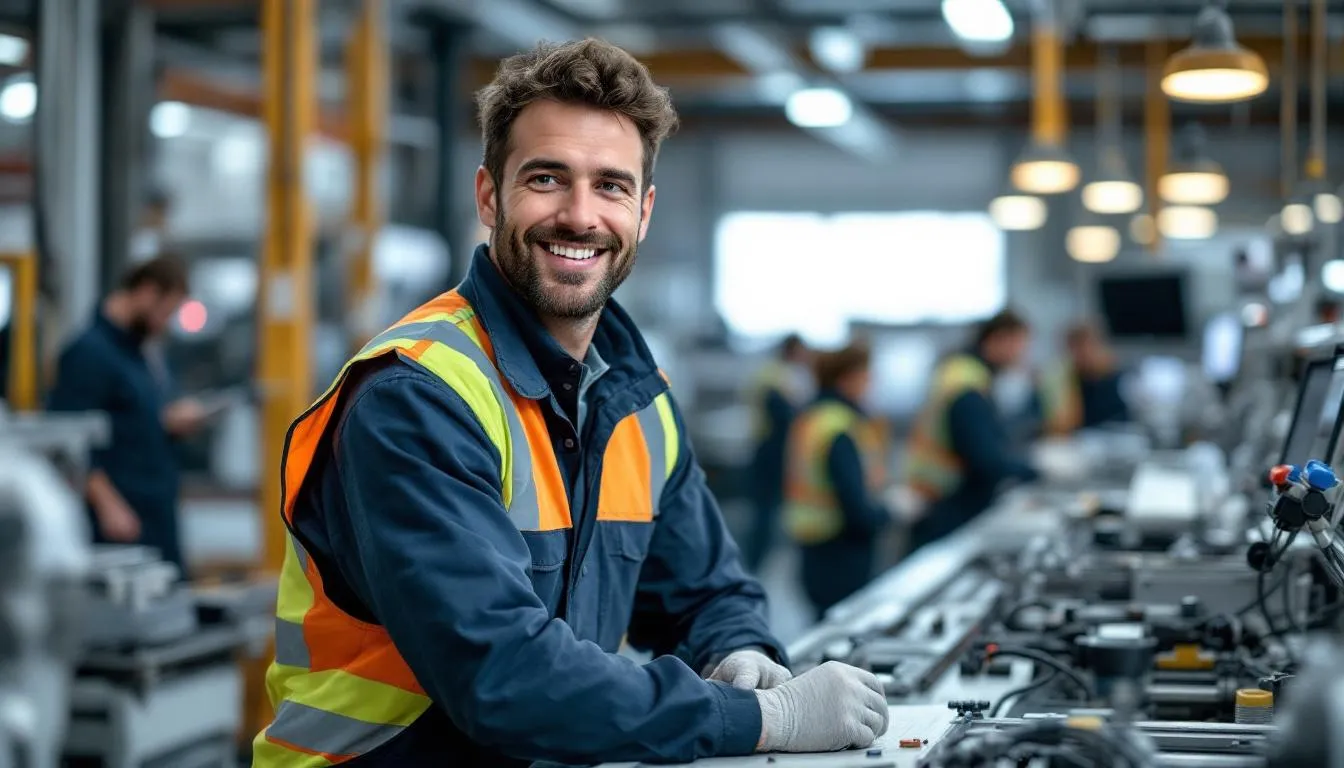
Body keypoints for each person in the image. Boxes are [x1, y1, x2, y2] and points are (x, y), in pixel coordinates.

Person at [251, 39, 887, 768]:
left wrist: (737, 649)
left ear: (643, 212)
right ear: (490, 195)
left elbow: (707, 588)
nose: (580, 216)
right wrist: (760, 718)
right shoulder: (415, 397)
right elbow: (503, 679)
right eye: (548, 178)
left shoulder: (635, 399)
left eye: (611, 186)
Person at [46, 255, 210, 575]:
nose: (165, 323)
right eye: (166, 312)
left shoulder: (142, 355)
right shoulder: (87, 354)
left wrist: (170, 422)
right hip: (119, 522)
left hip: (155, 511)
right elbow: (68, 442)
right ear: (147, 293)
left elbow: (137, 417)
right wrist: (108, 505)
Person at [903, 309, 1040, 553]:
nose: (1021, 353)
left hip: (939, 496)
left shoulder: (960, 372)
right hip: (950, 500)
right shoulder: (967, 385)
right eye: (1019, 344)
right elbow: (984, 457)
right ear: (998, 339)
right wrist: (1034, 469)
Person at [783, 343, 893, 617]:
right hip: (842, 549)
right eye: (867, 376)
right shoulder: (840, 426)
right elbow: (854, 502)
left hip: (812, 543)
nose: (871, 383)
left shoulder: (811, 417)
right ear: (848, 378)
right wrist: (889, 513)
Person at [743, 333, 812, 572]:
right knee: (765, 512)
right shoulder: (777, 377)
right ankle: (754, 564)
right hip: (772, 450)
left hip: (774, 448)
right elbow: (784, 415)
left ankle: (760, 562)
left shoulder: (782, 374)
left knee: (769, 511)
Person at [1039, 320, 1130, 435]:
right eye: (1076, 348)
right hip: (1082, 442)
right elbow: (1065, 422)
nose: (1084, 353)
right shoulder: (1069, 379)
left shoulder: (1119, 379)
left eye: (1088, 346)